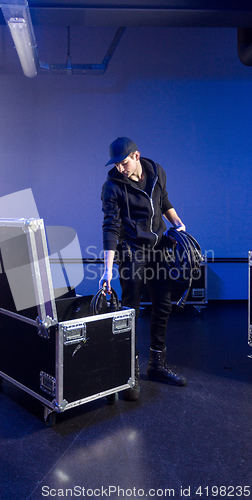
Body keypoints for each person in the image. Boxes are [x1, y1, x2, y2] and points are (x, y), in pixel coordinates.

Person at [100, 137, 187, 401]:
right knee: (130, 310)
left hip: (159, 247)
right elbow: (110, 228)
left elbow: (164, 203)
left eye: (123, 163)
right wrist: (107, 271)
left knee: (163, 305)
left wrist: (178, 223)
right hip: (132, 251)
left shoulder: (157, 172)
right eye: (115, 165)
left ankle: (157, 365)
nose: (120, 169)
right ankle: (130, 372)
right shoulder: (112, 187)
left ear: (136, 156)